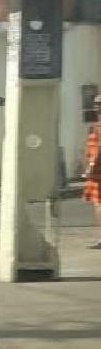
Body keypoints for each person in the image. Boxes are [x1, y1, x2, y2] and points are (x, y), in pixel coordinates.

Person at [83, 94, 101, 249]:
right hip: (96, 171)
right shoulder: (96, 124)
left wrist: (91, 167)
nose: (97, 106)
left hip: (98, 172)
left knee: (99, 204)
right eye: (96, 103)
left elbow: (98, 149)